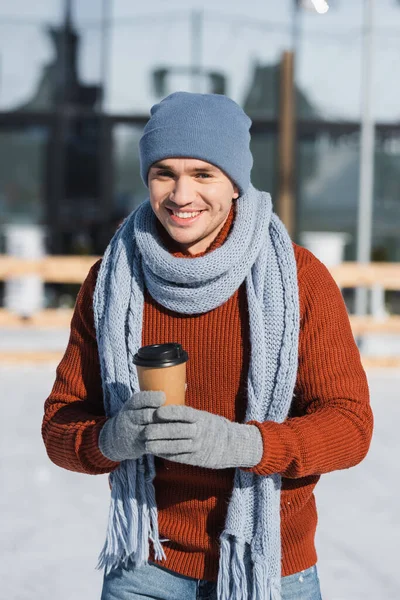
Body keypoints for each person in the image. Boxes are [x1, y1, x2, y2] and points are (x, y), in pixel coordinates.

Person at [41, 91, 373, 600]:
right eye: (164, 173)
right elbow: (60, 424)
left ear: (235, 184)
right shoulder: (111, 281)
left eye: (203, 174)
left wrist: (247, 445)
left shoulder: (300, 280)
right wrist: (111, 439)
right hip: (144, 566)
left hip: (271, 570)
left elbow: (350, 426)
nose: (180, 194)